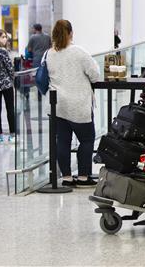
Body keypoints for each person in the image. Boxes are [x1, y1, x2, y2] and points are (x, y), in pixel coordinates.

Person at [46, 20, 101, 188]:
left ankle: (67, 178)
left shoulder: (50, 53)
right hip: (79, 105)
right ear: (70, 33)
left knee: (62, 141)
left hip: (58, 105)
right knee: (86, 139)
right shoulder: (79, 52)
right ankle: (84, 177)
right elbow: (95, 75)